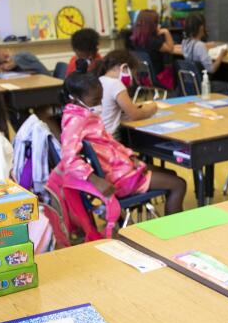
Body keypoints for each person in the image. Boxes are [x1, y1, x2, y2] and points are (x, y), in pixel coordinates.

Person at [54, 73, 186, 236]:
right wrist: (96, 181)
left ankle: (163, 223)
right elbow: (69, 158)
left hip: (119, 169)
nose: (100, 105)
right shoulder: (75, 121)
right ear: (74, 99)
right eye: (95, 102)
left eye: (101, 100)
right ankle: (177, 233)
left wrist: (131, 157)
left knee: (170, 174)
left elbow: (110, 142)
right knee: (179, 184)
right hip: (119, 179)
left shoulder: (84, 115)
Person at [97, 50, 157, 135]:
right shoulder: (116, 84)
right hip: (110, 137)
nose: (133, 78)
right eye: (132, 73)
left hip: (98, 135)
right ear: (124, 68)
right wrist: (152, 108)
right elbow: (135, 115)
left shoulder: (100, 80)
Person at [129, 8, 174, 84]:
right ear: (152, 24)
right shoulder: (153, 41)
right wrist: (166, 32)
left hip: (143, 77)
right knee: (173, 66)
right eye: (157, 22)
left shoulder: (134, 38)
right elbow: (170, 48)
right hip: (158, 77)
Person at [179, 12, 222, 77]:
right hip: (202, 82)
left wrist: (206, 45)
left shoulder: (184, 42)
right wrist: (221, 55)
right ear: (201, 27)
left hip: (192, 80)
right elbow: (211, 69)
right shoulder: (200, 46)